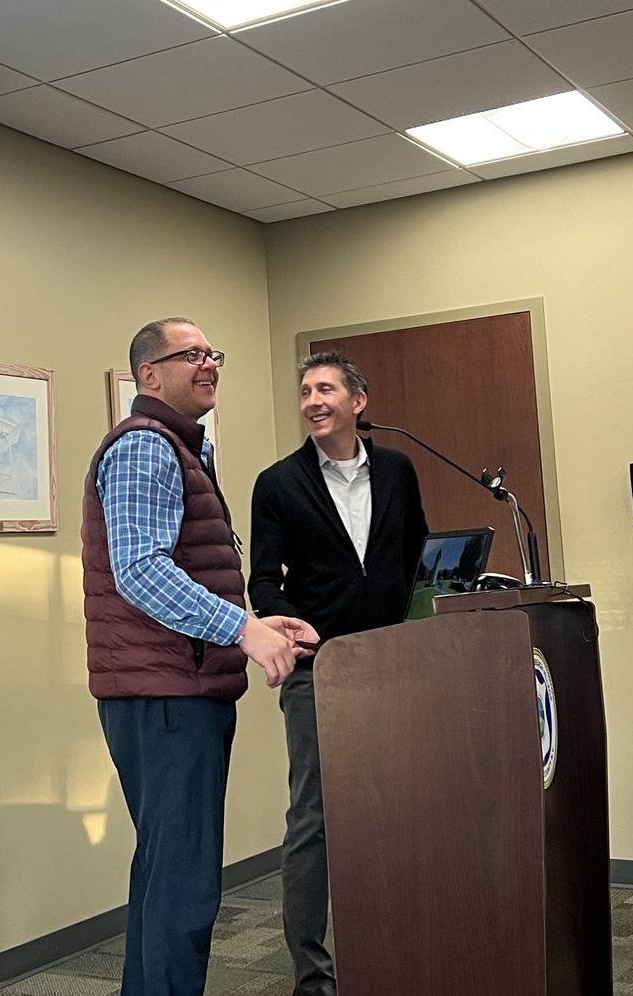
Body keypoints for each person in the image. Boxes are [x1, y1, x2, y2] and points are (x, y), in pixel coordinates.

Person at [83, 317, 318, 996]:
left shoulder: (184, 447)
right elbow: (140, 570)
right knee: (183, 891)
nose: (209, 363)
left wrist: (250, 620)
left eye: (213, 352)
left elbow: (181, 569)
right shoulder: (145, 448)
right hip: (165, 696)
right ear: (148, 374)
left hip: (178, 686)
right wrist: (243, 633)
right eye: (191, 354)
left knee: (167, 879)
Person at [249, 350, 428, 996]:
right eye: (304, 391)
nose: (313, 400)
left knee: (396, 808)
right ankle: (313, 975)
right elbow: (264, 581)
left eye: (325, 388)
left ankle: (394, 947)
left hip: (395, 666)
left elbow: (415, 562)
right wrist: (297, 630)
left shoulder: (399, 470)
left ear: (359, 400)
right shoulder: (277, 483)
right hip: (316, 672)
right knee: (315, 820)